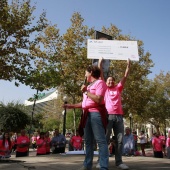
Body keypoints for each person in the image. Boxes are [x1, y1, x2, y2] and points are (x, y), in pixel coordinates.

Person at [64, 65, 109, 170]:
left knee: (100, 141)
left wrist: (86, 91)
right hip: (87, 114)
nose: (85, 75)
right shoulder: (88, 86)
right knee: (88, 141)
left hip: (96, 114)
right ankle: (87, 165)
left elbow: (98, 99)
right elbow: (85, 103)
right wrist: (71, 106)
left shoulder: (100, 83)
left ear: (91, 72)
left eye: (86, 73)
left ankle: (103, 166)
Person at [98, 58, 130, 170]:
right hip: (108, 116)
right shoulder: (105, 88)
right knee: (105, 140)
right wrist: (100, 62)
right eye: (109, 80)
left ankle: (119, 162)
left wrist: (128, 65)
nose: (110, 81)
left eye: (112, 80)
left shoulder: (118, 88)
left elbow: (125, 77)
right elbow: (100, 74)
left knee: (120, 140)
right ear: (106, 82)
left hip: (119, 116)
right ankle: (101, 161)